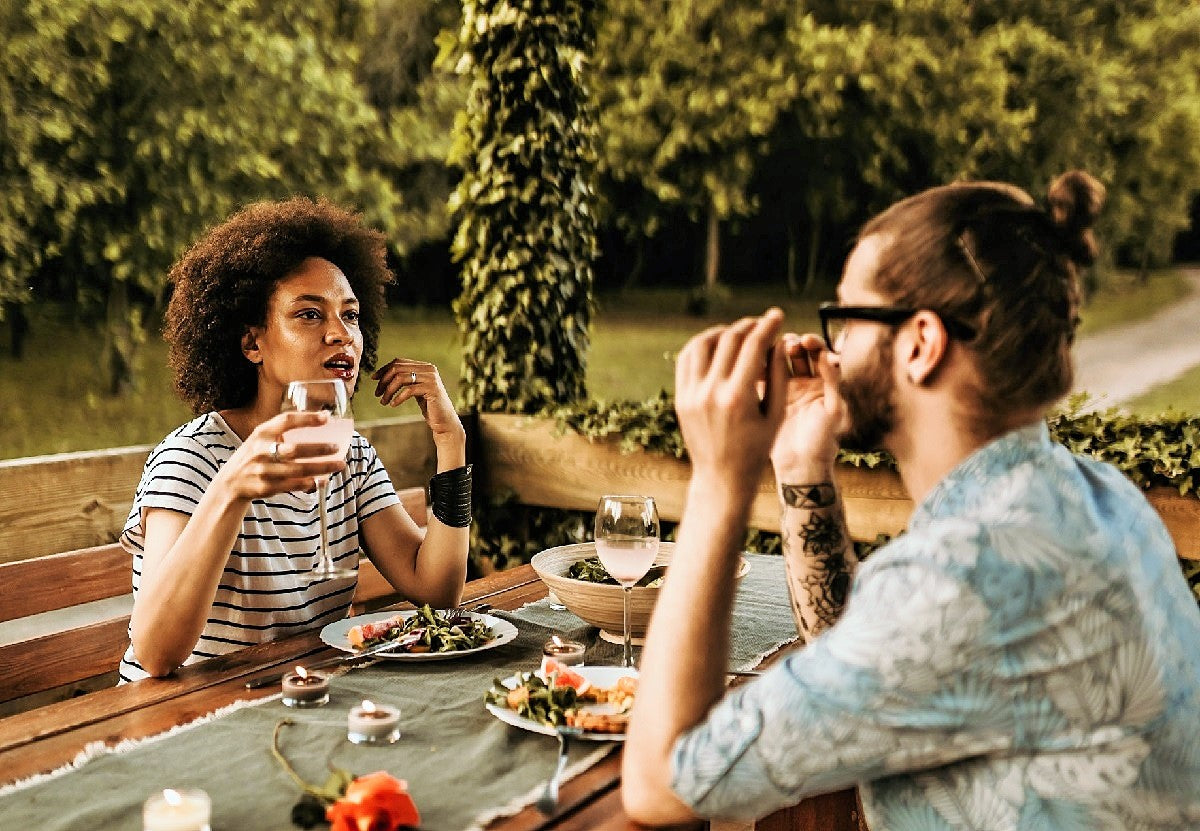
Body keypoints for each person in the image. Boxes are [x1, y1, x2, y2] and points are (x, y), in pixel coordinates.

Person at [622, 172, 1200, 828]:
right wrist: (801, 464)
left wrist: (719, 481)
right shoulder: (1095, 496)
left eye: (846, 318)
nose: (832, 350)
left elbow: (661, 783)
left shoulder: (965, 574)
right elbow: (867, 659)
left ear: (921, 343)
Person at [120, 197, 470, 682]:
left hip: (298, 703)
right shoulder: (191, 458)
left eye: (350, 316)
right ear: (252, 344)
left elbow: (438, 592)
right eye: (309, 315)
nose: (340, 335)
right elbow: (156, 654)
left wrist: (451, 443)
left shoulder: (351, 456)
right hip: (181, 718)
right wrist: (233, 488)